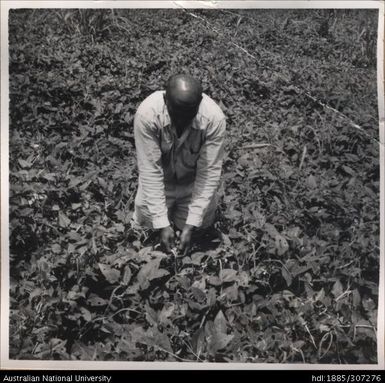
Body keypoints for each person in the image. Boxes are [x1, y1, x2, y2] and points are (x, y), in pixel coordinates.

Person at [133, 74, 226, 254]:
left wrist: (192, 224)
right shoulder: (147, 114)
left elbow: (208, 173)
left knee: (198, 234)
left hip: (192, 185)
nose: (182, 122)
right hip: (161, 182)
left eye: (188, 116)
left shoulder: (214, 119)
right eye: (177, 115)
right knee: (147, 231)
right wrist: (161, 224)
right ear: (165, 100)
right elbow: (150, 170)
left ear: (199, 103)